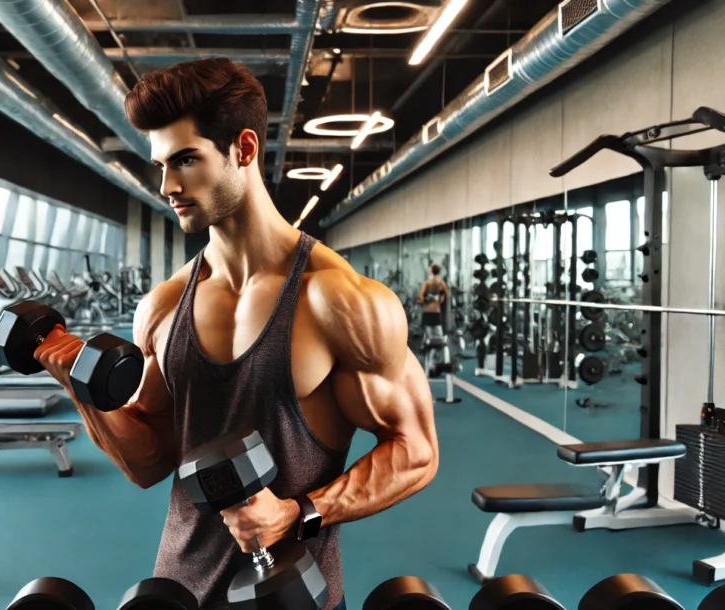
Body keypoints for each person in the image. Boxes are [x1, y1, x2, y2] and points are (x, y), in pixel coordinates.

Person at [34, 58, 439, 610]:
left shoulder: (340, 301)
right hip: (175, 591)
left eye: (186, 160)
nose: (168, 185)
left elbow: (415, 451)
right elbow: (150, 462)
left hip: (295, 596)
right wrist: (84, 391)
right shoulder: (164, 306)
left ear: (243, 150)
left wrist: (301, 512)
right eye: (161, 165)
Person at [418, 264, 450, 341]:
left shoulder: (427, 283)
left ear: (431, 272)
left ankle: (429, 350)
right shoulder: (442, 283)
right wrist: (439, 299)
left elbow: (420, 299)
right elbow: (446, 296)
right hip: (436, 312)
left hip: (427, 312)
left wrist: (426, 299)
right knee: (439, 339)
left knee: (429, 338)